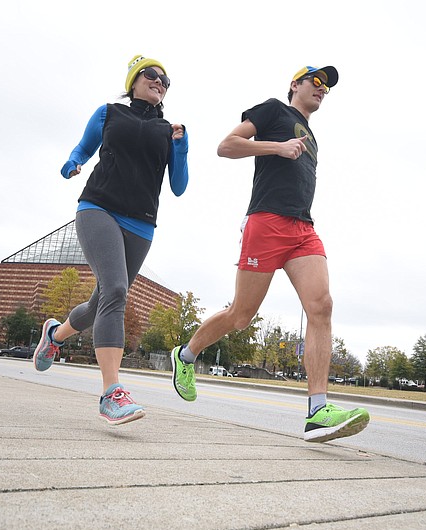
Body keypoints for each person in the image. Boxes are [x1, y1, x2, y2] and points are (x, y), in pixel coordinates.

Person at [170, 65, 369, 443]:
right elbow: (226, 146)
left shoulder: (312, 135)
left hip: (303, 229)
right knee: (241, 316)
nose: (322, 88)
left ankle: (318, 411)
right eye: (316, 81)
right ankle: (186, 354)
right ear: (295, 84)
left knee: (322, 306)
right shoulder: (274, 110)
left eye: (327, 86)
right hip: (266, 222)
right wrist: (277, 147)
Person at [33, 54, 188, 426]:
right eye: (153, 74)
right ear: (135, 79)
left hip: (141, 224)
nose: (160, 81)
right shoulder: (108, 113)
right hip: (98, 207)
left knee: (102, 299)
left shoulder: (171, 129)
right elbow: (83, 148)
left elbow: (179, 187)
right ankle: (111, 393)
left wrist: (180, 146)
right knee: (117, 290)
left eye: (166, 80)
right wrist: (72, 164)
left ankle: (55, 333)